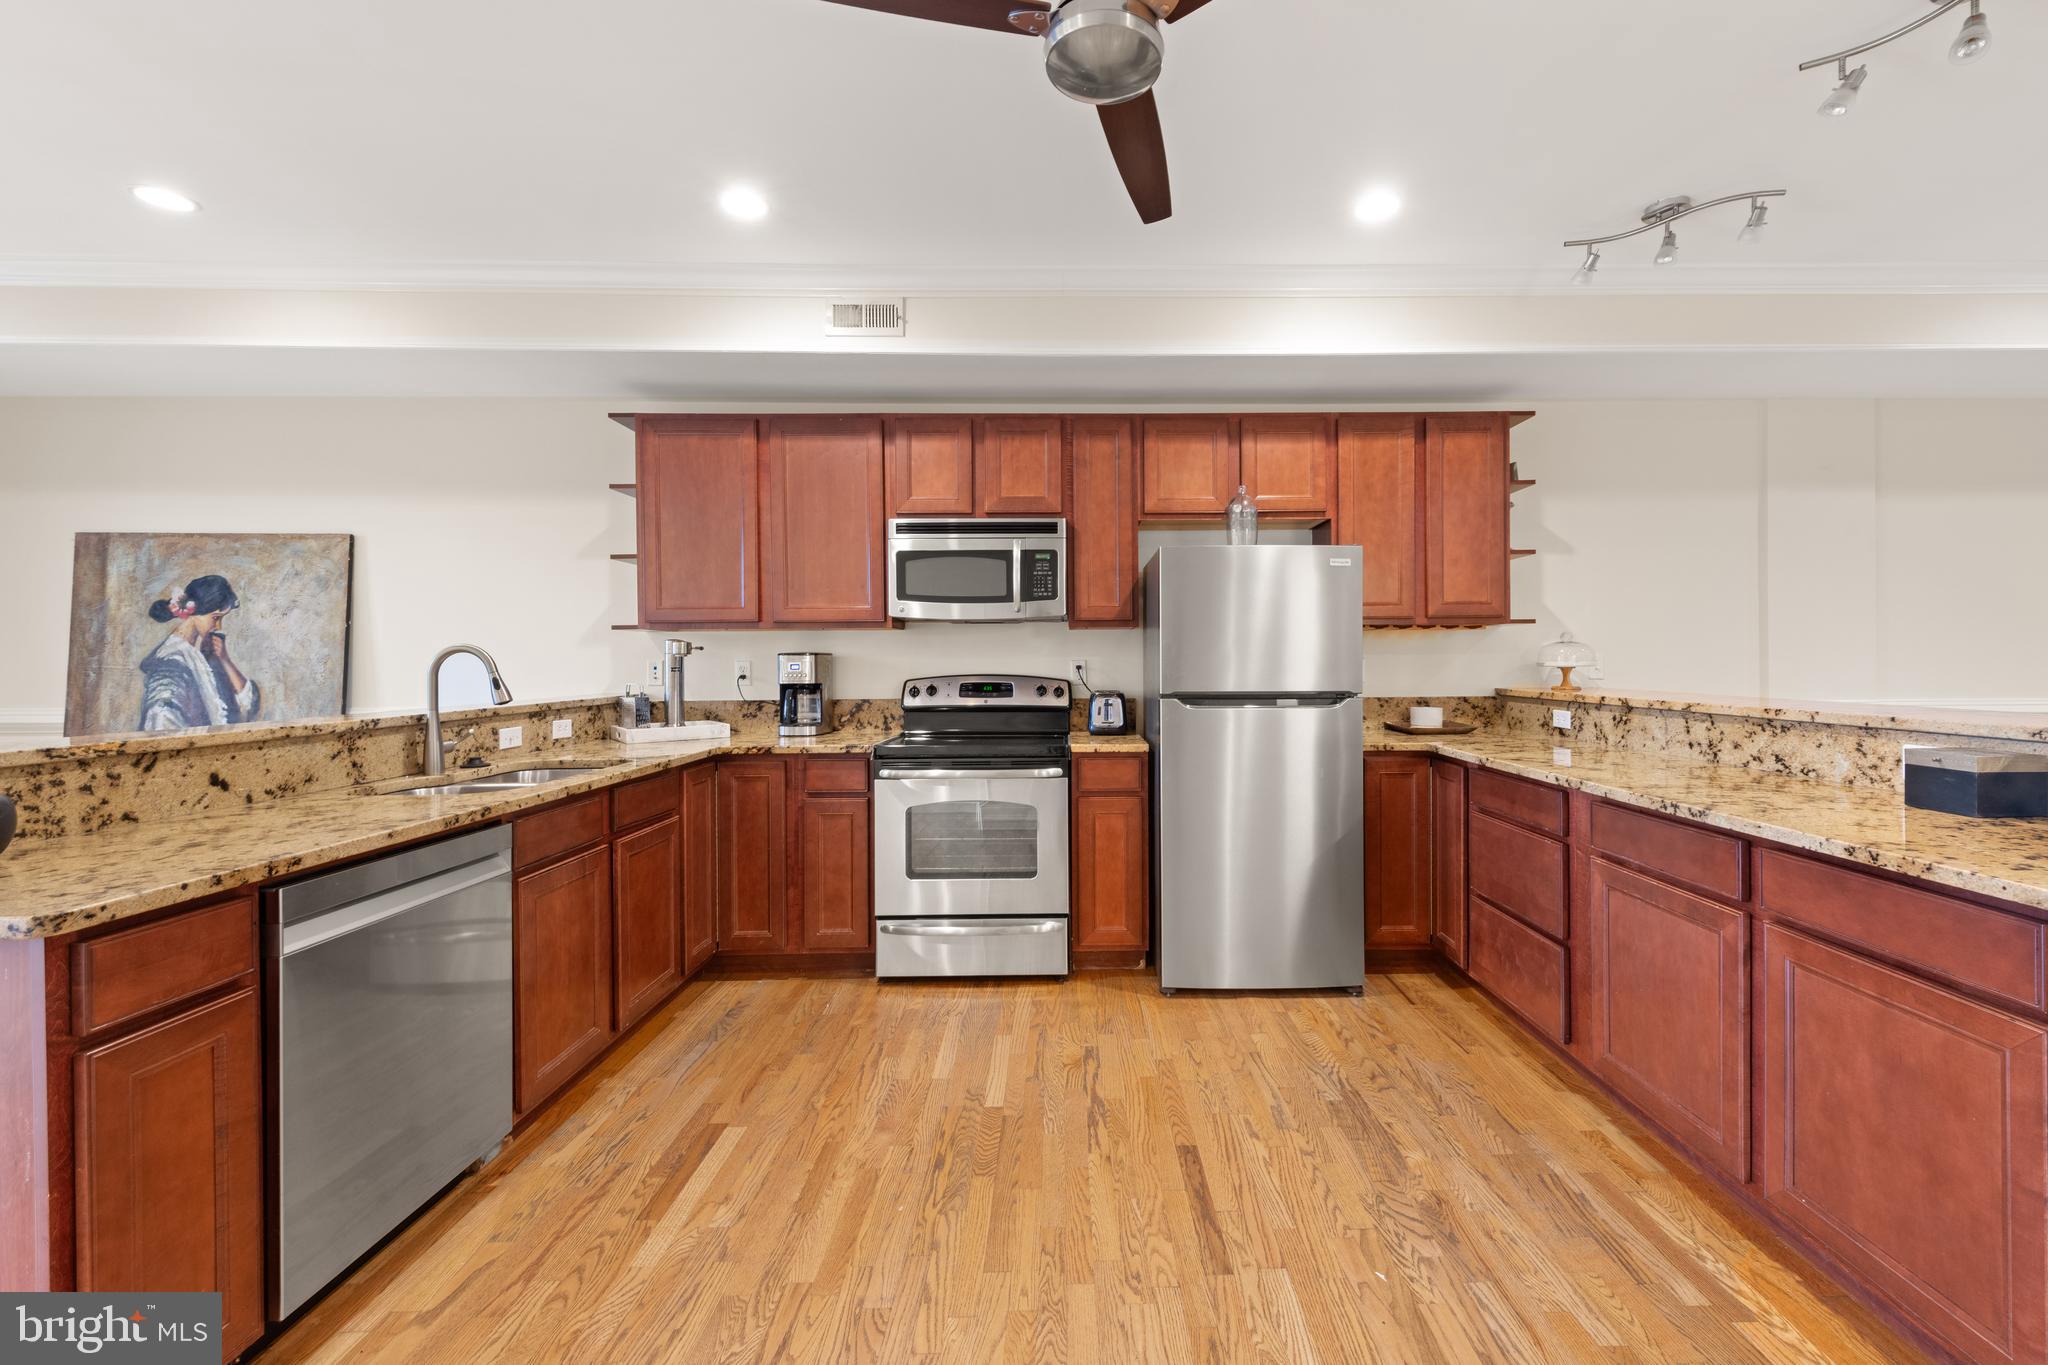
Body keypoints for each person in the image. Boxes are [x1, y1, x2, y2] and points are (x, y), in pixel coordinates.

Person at [139, 575, 260, 730]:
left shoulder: (201, 652)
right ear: (196, 612)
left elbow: (246, 707)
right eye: (215, 618)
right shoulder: (171, 662)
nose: (218, 626)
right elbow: (161, 721)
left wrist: (225, 659)